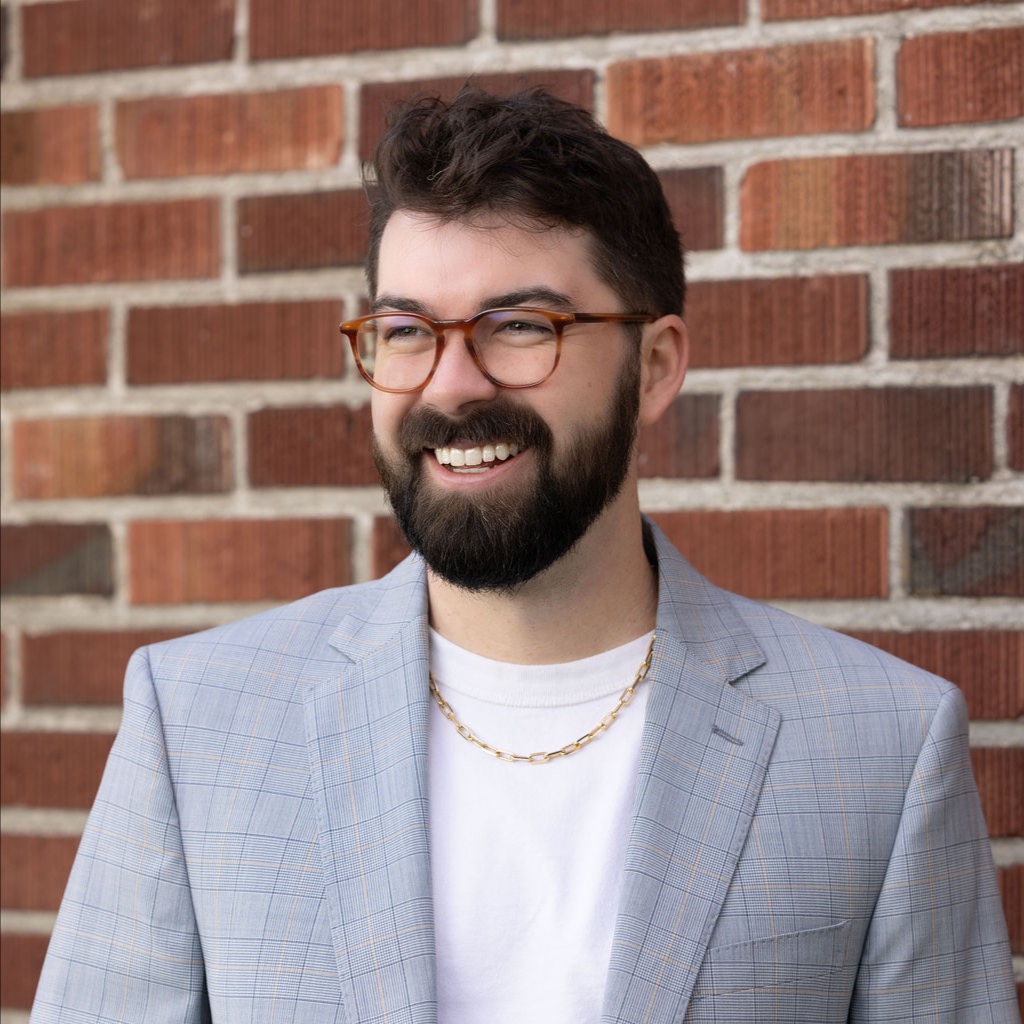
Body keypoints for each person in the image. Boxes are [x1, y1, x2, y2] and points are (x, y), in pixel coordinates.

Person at [32, 88, 1016, 1024]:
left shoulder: (881, 745)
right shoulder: (199, 719)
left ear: (656, 366)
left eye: (519, 327)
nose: (450, 388)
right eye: (406, 330)